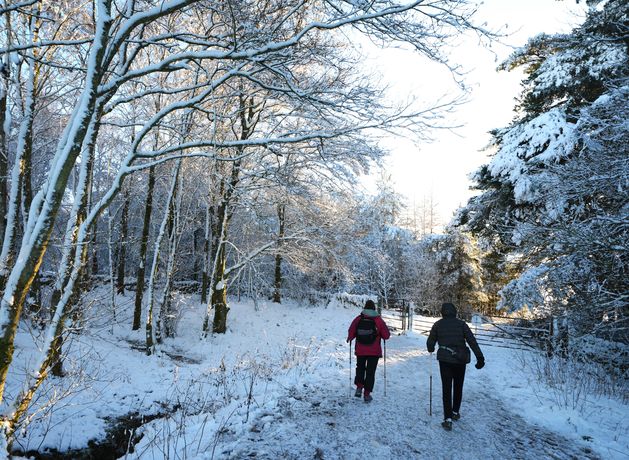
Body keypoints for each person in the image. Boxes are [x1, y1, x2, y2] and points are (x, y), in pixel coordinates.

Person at [426, 302, 484, 431]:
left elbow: (430, 342)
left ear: (442, 312)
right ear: (455, 311)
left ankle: (447, 418)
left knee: (446, 388)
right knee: (458, 386)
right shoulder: (461, 324)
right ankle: (455, 412)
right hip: (460, 360)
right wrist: (480, 357)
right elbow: (472, 341)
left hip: (445, 361)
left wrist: (430, 347)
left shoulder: (438, 325)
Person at [347, 299, 391, 402]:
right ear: (374, 308)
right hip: (374, 352)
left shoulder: (358, 319)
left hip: (360, 350)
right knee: (371, 372)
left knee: (360, 368)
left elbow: (351, 331)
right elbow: (386, 335)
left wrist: (349, 338)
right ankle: (367, 394)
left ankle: (359, 387)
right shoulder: (378, 320)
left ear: (365, 307)